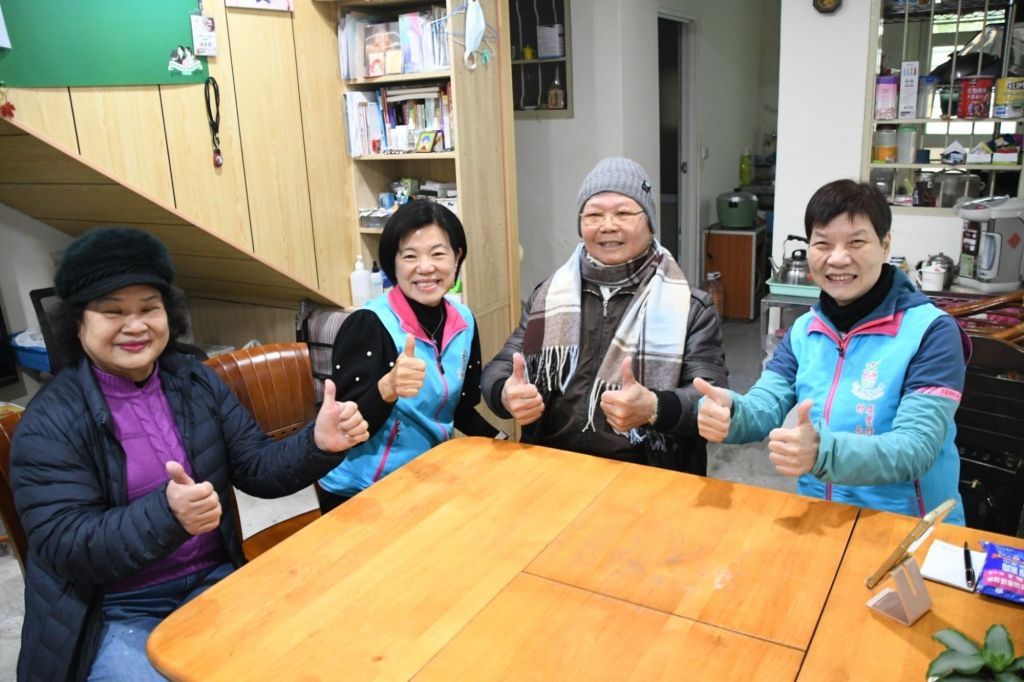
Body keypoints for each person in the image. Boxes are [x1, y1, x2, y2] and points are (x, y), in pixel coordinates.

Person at [10, 228, 370, 681]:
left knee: (315, 652)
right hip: (112, 611)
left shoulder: (194, 382)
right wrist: (167, 515)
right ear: (77, 322)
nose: (135, 325)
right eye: (112, 311)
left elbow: (256, 468)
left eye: (149, 308)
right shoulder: (50, 420)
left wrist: (317, 443)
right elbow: (66, 546)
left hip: (211, 584)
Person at [695, 179, 968, 523]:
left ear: (885, 245)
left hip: (908, 527)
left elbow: (916, 447)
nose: (838, 258)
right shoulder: (804, 330)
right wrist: (731, 412)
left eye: (856, 242)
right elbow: (766, 403)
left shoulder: (931, 332)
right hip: (821, 518)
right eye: (823, 243)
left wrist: (822, 452)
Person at [481, 157, 728, 474]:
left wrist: (655, 408)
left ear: (650, 222)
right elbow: (502, 366)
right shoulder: (550, 295)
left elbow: (711, 398)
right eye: (594, 214)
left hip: (649, 471)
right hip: (553, 463)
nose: (608, 225)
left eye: (623, 213)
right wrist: (504, 393)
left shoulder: (691, 307)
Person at [317, 200, 497, 511]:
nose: (425, 268)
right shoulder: (369, 324)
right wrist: (387, 389)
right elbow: (347, 429)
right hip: (361, 489)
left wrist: (505, 442)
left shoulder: (464, 321)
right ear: (393, 263)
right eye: (410, 256)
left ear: (457, 257)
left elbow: (462, 409)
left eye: (438, 254)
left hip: (428, 475)